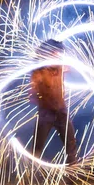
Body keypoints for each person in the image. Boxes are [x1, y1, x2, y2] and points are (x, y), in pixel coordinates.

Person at [28, 39, 79, 170]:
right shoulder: (39, 71)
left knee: (71, 146)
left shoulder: (61, 67)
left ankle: (73, 182)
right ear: (49, 53)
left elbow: (73, 69)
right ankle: (26, 182)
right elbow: (32, 91)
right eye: (56, 52)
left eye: (59, 52)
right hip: (46, 113)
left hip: (61, 112)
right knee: (37, 148)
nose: (59, 54)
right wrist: (36, 94)